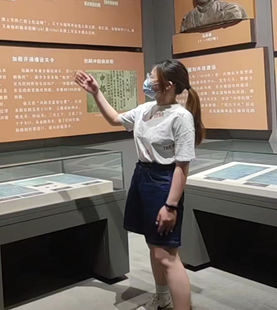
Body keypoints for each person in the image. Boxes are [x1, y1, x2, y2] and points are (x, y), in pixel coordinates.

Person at [75, 60, 204, 310]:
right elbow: (115, 119)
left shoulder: (181, 117)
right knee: (154, 247)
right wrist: (96, 92)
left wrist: (171, 206)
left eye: (152, 77)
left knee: (166, 255)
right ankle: (162, 297)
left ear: (168, 84)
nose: (147, 80)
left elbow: (182, 167)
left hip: (164, 182)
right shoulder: (146, 109)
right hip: (143, 178)